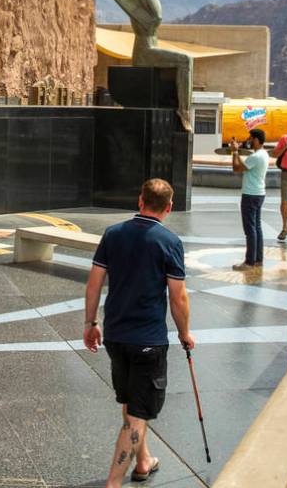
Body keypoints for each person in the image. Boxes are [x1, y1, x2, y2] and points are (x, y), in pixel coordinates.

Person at [84, 179, 195, 485]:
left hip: (116, 336)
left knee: (132, 402)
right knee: (137, 416)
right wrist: (185, 332)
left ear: (140, 200)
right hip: (148, 340)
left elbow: (94, 284)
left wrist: (90, 323)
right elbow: (178, 297)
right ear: (169, 207)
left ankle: (143, 461)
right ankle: (113, 482)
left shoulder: (113, 234)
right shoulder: (169, 241)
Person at [231, 129, 269, 270]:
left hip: (250, 194)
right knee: (257, 227)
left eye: (251, 138)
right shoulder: (263, 154)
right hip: (259, 193)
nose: (249, 140)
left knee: (250, 229)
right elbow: (245, 167)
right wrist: (238, 152)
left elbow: (237, 168)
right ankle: (258, 259)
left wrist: (235, 152)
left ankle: (249, 262)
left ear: (257, 140)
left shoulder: (256, 157)